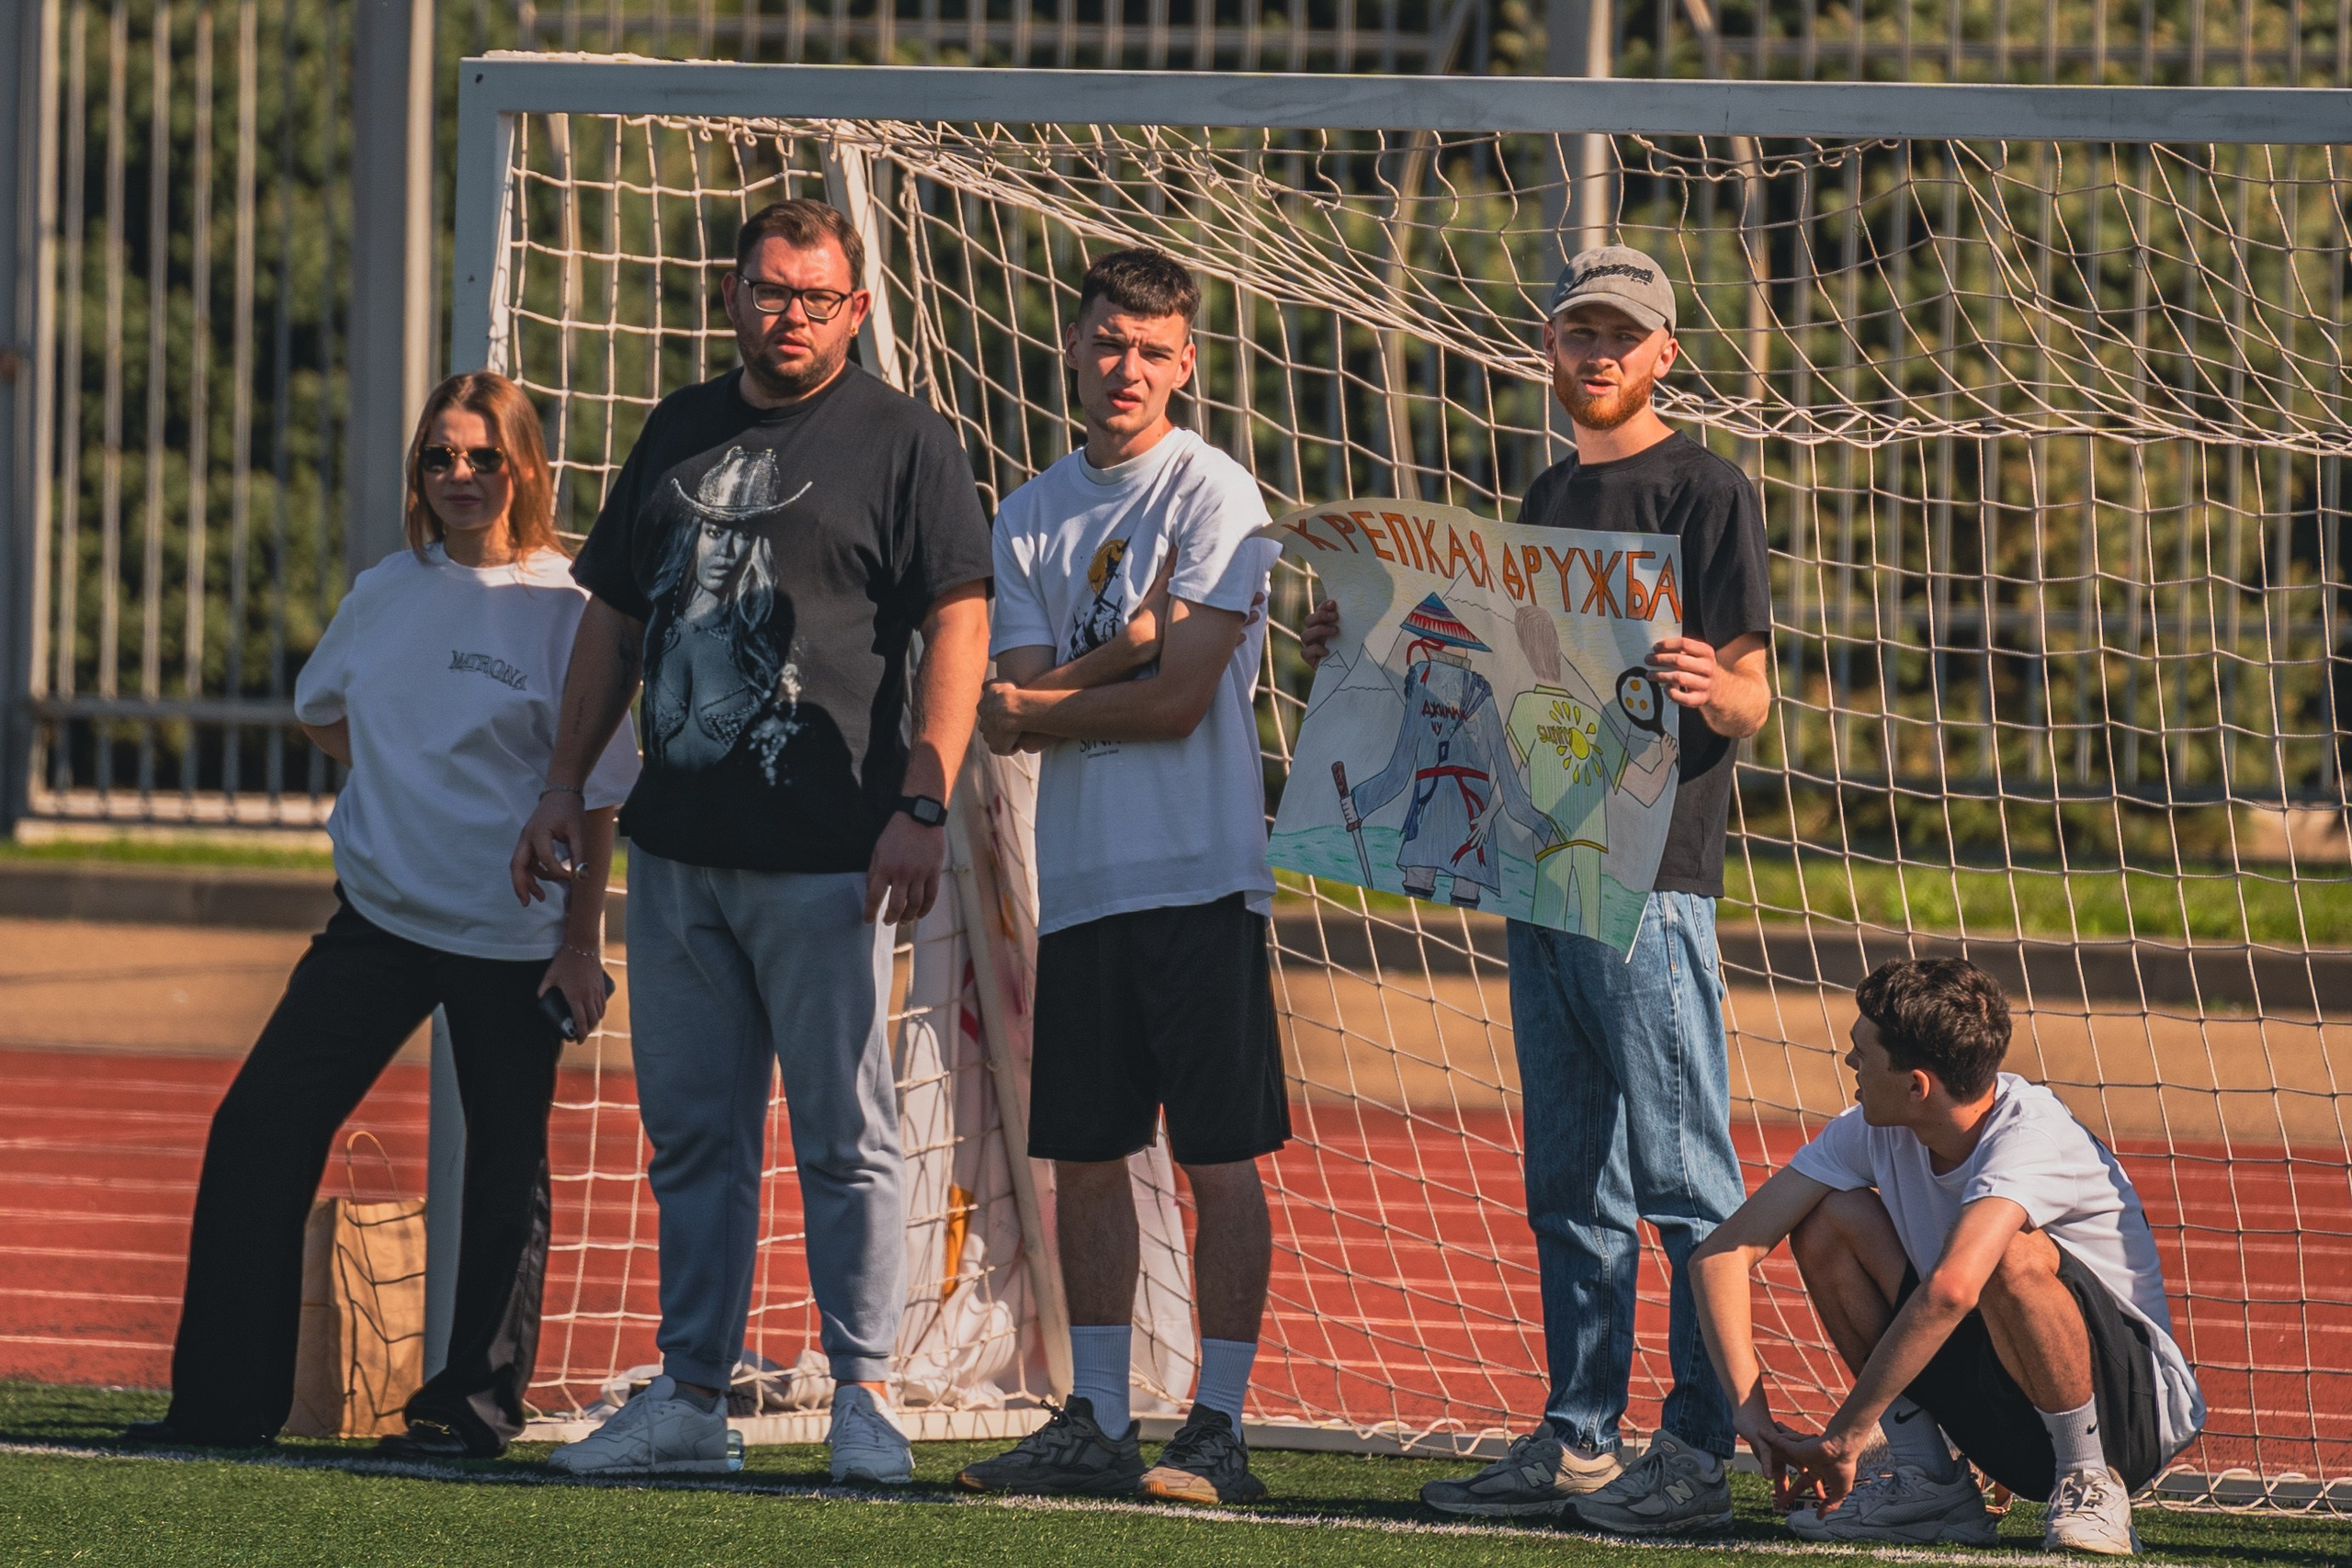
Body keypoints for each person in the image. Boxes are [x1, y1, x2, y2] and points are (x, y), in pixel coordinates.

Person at [512, 197, 993, 1483]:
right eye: (770, 290)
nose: (790, 314)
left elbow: (959, 620)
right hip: (675, 853)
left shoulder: (904, 440)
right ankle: (687, 1393)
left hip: (832, 854)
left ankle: (865, 1393)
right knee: (693, 1138)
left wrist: (923, 798)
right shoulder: (677, 426)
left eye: (815, 296)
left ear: (856, 309)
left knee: (846, 1134)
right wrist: (566, 778)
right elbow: (612, 617)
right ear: (733, 292)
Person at [1302, 244, 1773, 1532]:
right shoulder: (1547, 488)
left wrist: (1704, 683)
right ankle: (1577, 1434)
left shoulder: (1707, 487)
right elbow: (1515, 676)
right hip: (1545, 864)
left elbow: (1753, 690)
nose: (1599, 352)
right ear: (1551, 350)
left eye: (1624, 333)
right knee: (1571, 1173)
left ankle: (1699, 1442)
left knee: (1683, 1168)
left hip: (1654, 877)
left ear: (1667, 351)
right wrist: (1367, 648)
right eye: (1580, 333)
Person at [121, 372, 639, 1458]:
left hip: (512, 937)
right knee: (258, 1130)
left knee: (504, 1169)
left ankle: (471, 1413)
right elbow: (328, 716)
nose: (458, 476)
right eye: (439, 458)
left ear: (524, 467)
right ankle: (222, 1408)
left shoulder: (567, 606)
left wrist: (582, 942)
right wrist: (402, 791)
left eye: (480, 457)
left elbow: (596, 794)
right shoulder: (383, 592)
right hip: (378, 922)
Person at [952, 248, 1283, 1506]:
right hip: (1081, 881)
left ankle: (1220, 1425)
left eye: (1152, 349)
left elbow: (1185, 695)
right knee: (1085, 1154)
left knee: (1218, 1156)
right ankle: (1095, 1414)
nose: (1126, 367)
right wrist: (1122, 651)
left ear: (1185, 361)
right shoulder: (1032, 509)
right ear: (1076, 348)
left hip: (1201, 878)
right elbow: (1010, 703)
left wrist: (1069, 693)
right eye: (1107, 343)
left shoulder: (1216, 490)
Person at [1689, 958, 2205, 1556]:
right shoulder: (1872, 1126)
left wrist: (1846, 1436)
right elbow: (1722, 1252)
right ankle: (1925, 1479)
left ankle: (2087, 1479)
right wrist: (1750, 1416)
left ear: (1917, 1084)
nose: (1850, 1064)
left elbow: (1953, 1289)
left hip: (2127, 1417)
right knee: (1828, 1220)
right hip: (2007, 1403)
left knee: (2005, 1251)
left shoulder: (2028, 1134)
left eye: (1863, 1053)